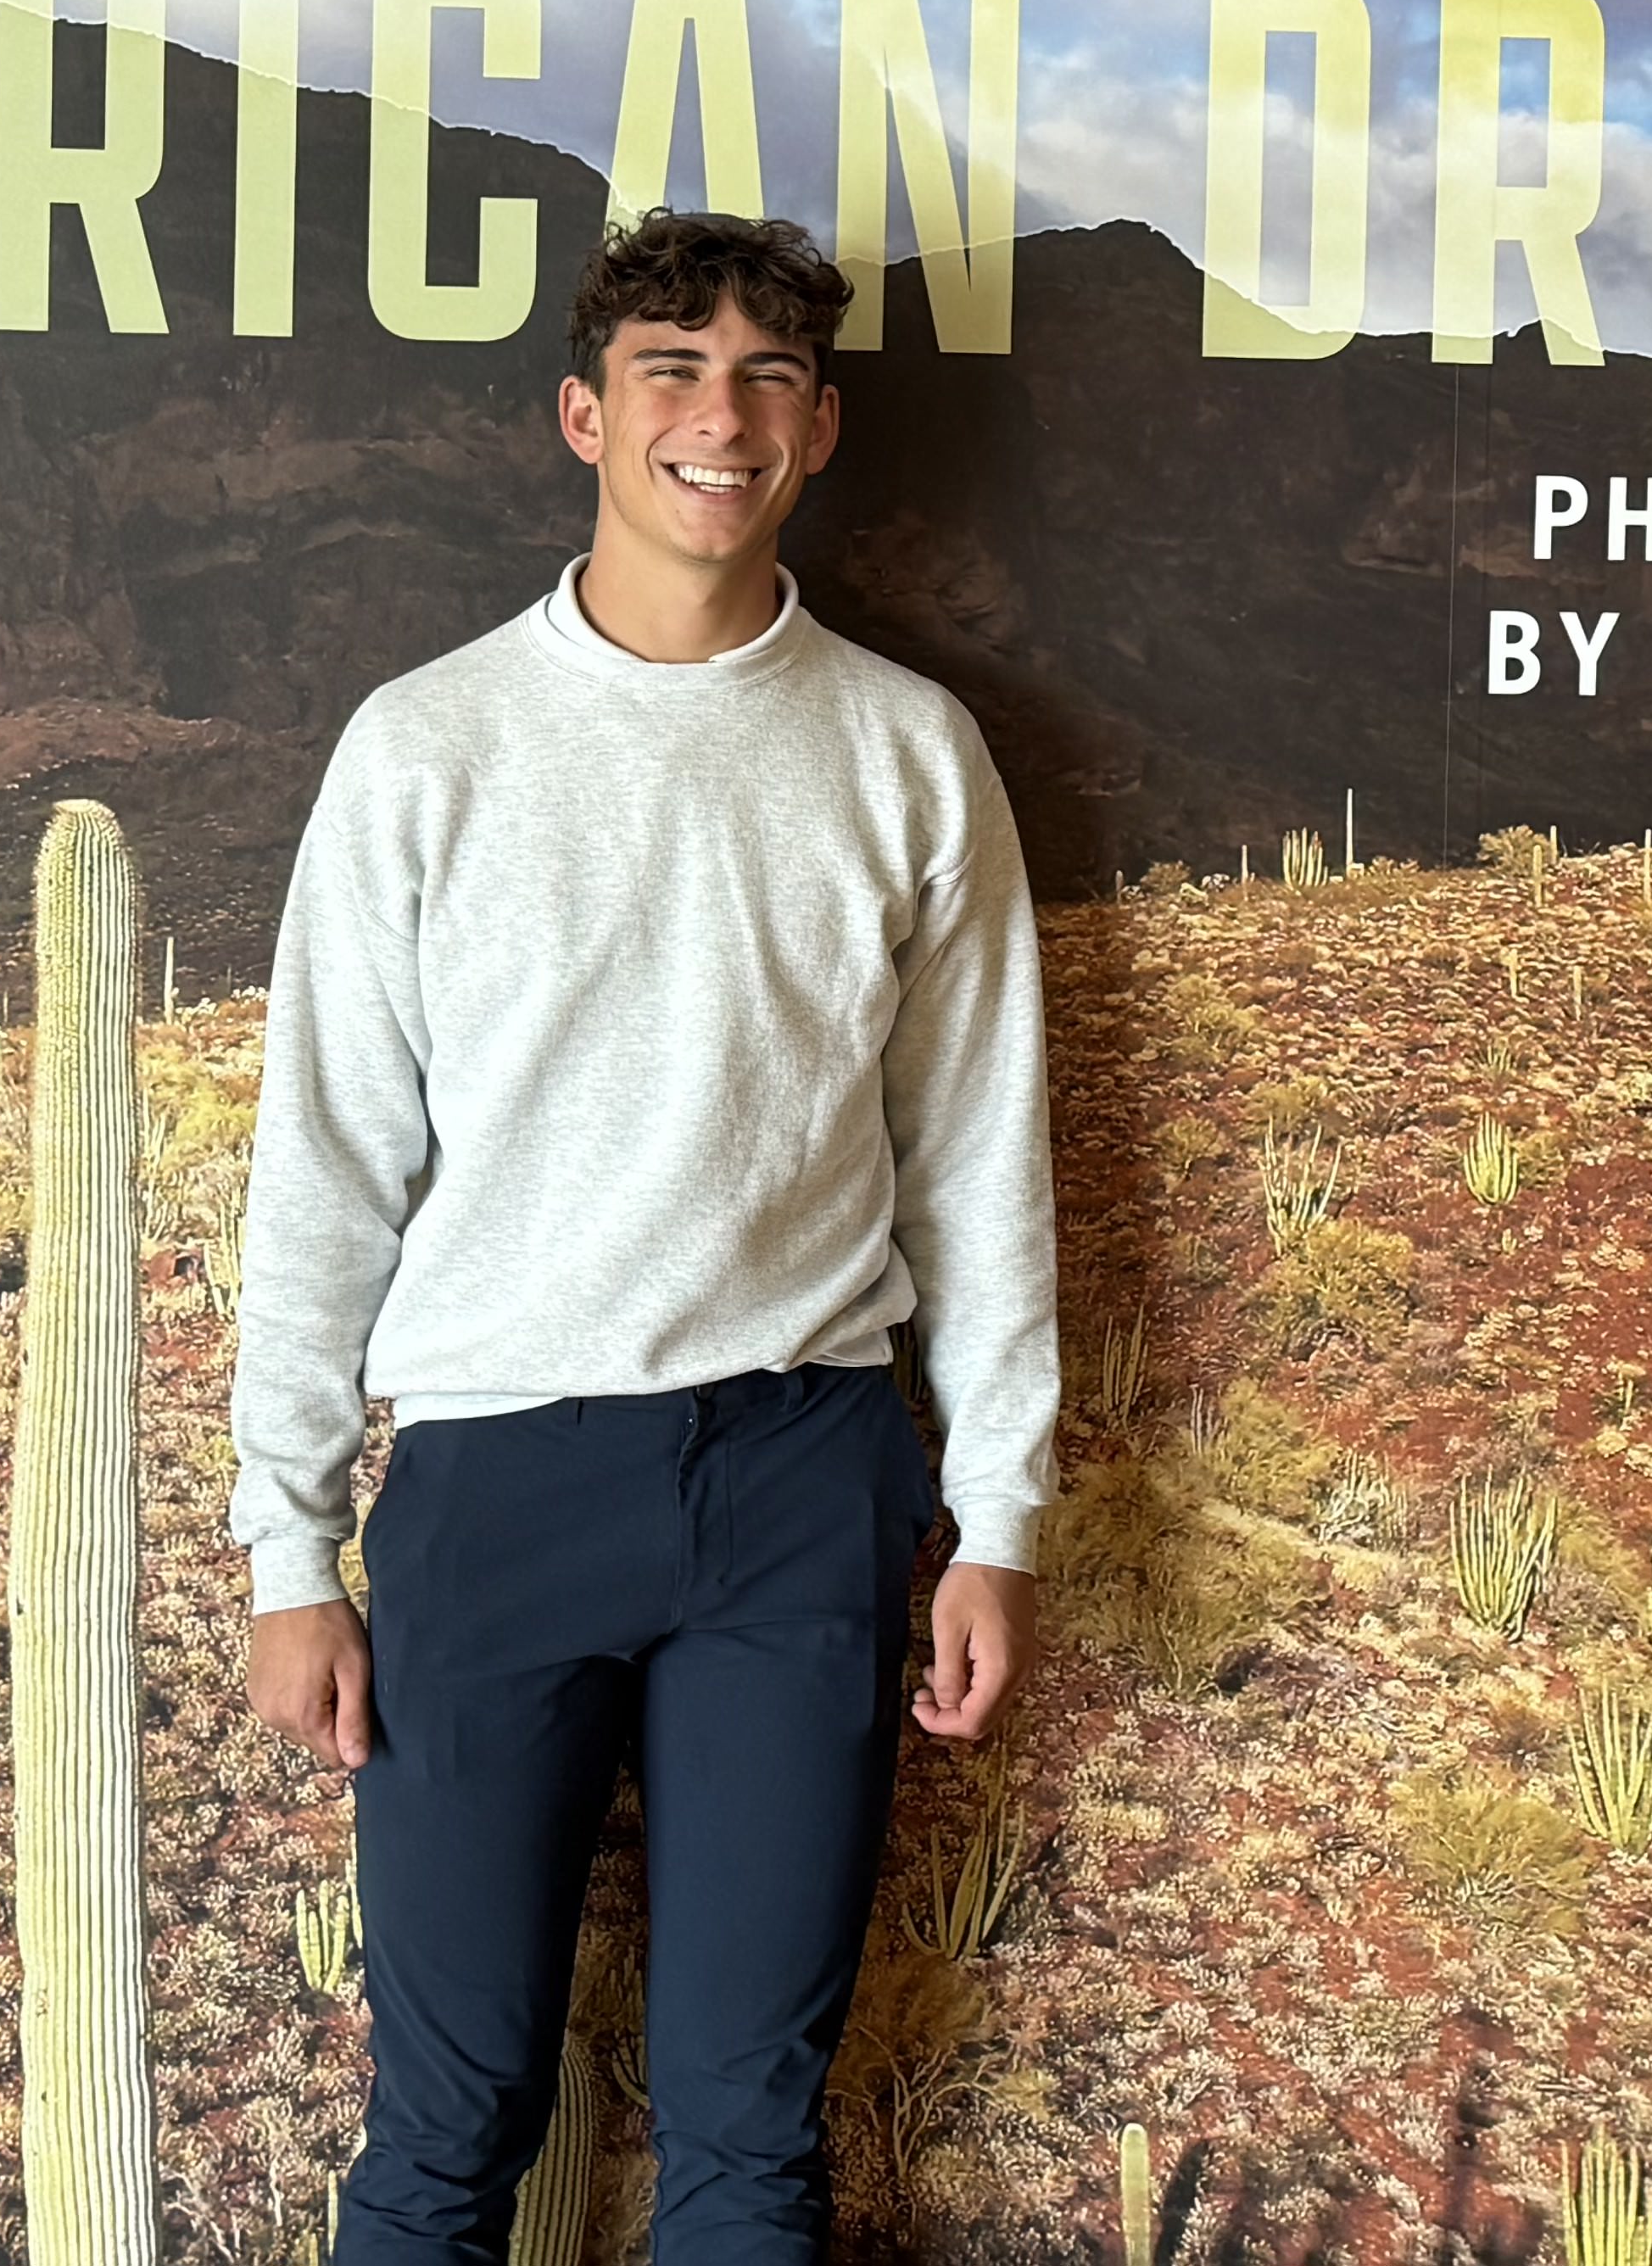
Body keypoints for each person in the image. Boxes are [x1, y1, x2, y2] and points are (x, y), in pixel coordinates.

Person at [228, 208, 1058, 2266]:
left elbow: (977, 1162)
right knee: (446, 2132)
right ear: (586, 416)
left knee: (752, 2137)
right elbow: (327, 1159)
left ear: (821, 429)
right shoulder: (428, 747)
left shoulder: (907, 753)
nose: (723, 416)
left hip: (801, 1482)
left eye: (770, 377)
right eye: (673, 371)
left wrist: (1002, 1514)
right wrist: (287, 1548)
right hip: (496, 1482)